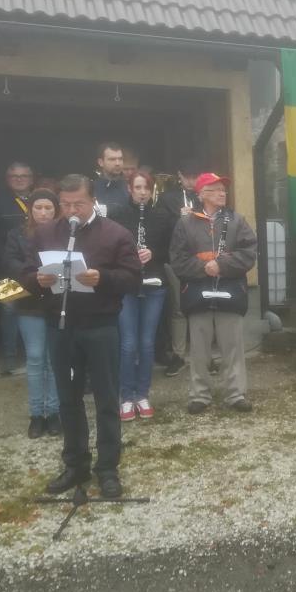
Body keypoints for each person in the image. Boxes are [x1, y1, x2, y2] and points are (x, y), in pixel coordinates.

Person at [20, 174, 142, 499]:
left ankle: (108, 468)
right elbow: (25, 273)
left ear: (93, 202)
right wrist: (36, 280)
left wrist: (103, 278)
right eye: (66, 204)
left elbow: (133, 278)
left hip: (101, 325)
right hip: (60, 326)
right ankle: (75, 464)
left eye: (80, 204)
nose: (72, 210)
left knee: (106, 398)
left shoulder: (115, 234)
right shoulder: (46, 233)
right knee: (68, 399)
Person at [169, 173, 257, 414]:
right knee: (199, 350)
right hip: (197, 293)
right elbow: (177, 259)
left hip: (230, 291)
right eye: (215, 189)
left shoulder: (237, 220)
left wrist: (222, 265)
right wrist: (204, 267)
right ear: (201, 195)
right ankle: (199, 395)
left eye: (223, 189)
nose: (222, 193)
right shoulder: (185, 224)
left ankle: (236, 394)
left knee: (233, 347)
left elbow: (249, 253)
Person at [113, 171, 173, 420]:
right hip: (127, 284)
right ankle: (126, 396)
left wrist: (153, 253)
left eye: (146, 188)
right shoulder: (118, 214)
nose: (142, 192)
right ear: (129, 188)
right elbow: (110, 249)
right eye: (137, 187)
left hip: (154, 283)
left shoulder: (162, 215)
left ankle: (142, 394)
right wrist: (130, 256)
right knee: (128, 343)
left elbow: (172, 250)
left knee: (147, 342)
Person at [3, 188, 61, 438]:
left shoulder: (63, 234)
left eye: (48, 208)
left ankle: (54, 411)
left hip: (56, 301)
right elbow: (11, 262)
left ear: (55, 211)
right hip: (29, 301)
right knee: (35, 358)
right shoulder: (16, 234)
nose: (43, 212)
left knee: (54, 360)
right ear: (30, 210)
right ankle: (37, 414)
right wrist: (35, 274)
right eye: (38, 207)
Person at [0, 161, 36, 375]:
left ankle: (33, 356)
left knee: (37, 309)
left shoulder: (40, 200)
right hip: (9, 267)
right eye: (15, 176)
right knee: (9, 310)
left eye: (24, 176)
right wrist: (6, 258)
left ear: (31, 179)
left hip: (37, 268)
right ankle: (9, 358)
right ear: (7, 180)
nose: (19, 179)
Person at [154, 160, 201, 378]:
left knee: (201, 306)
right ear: (180, 175)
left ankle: (204, 355)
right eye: (188, 176)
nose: (191, 181)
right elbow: (160, 230)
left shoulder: (204, 196)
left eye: (195, 176)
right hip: (175, 259)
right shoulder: (167, 198)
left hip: (201, 259)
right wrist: (177, 219)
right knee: (178, 309)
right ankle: (179, 355)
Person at [93, 142, 129, 215]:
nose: (117, 163)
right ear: (101, 162)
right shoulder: (91, 189)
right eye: (112, 159)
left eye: (120, 159)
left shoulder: (130, 187)